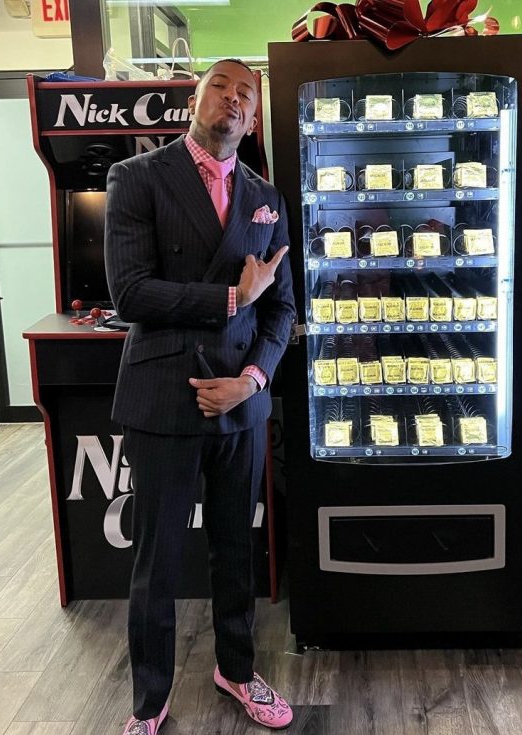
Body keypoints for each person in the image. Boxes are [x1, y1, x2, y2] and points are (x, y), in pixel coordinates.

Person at [104, 58, 296, 735]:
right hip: (165, 395)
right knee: (157, 561)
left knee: (236, 550)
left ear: (254, 119)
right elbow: (129, 293)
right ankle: (149, 702)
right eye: (221, 86)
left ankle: (237, 670)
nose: (233, 99)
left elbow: (282, 311)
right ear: (195, 98)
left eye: (246, 94)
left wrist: (251, 380)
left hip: (239, 399)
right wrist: (231, 297)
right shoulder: (137, 177)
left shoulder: (266, 197)